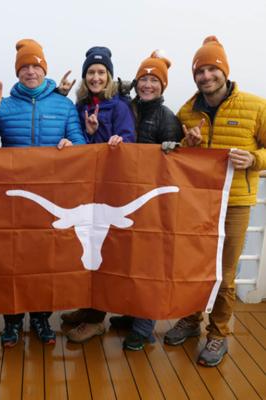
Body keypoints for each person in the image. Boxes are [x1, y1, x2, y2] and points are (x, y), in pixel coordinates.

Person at [0, 38, 86, 347]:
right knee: (12, 259)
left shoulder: (63, 104)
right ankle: (12, 320)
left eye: (36, 66)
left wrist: (72, 145)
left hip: (51, 197)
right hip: (13, 196)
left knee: (46, 261)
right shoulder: (3, 104)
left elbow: (81, 144)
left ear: (44, 68)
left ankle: (42, 319)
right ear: (18, 72)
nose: (31, 71)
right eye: (25, 67)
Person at [163, 36, 266, 366]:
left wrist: (254, 160)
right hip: (197, 203)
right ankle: (191, 321)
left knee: (225, 273)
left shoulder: (256, 106)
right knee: (194, 267)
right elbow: (181, 157)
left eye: (212, 69)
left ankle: (218, 334)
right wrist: (183, 144)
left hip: (235, 203)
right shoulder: (186, 111)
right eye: (200, 71)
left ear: (224, 71)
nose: (206, 76)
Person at [108, 50, 183, 351]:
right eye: (143, 79)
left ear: (163, 86)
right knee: (128, 258)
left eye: (154, 80)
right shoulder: (127, 107)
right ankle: (131, 312)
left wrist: (174, 146)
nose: (148, 85)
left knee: (149, 263)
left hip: (151, 201)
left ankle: (144, 326)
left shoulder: (167, 117)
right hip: (126, 194)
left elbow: (178, 162)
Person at [61, 46, 135, 343]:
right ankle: (87, 307)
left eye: (100, 72)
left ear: (109, 76)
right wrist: (89, 132)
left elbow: (129, 139)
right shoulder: (80, 107)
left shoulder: (119, 107)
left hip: (110, 190)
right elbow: (81, 144)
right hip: (85, 190)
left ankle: (97, 319)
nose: (95, 77)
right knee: (87, 250)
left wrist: (118, 140)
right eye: (90, 72)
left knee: (105, 253)